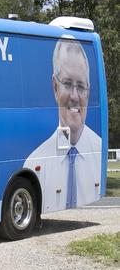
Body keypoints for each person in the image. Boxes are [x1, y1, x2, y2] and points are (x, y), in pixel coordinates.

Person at [24, 36, 102, 212]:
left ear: (88, 92)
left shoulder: (99, 152)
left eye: (81, 86)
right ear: (55, 87)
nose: (75, 96)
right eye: (67, 84)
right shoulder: (35, 161)